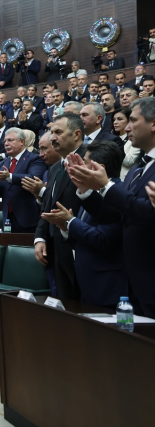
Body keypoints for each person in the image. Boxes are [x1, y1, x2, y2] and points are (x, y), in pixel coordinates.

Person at [66, 97, 155, 316]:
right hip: (132, 282)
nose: (126, 127)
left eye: (133, 120)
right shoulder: (136, 170)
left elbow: (147, 214)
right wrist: (86, 190)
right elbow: (118, 216)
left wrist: (105, 186)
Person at [41, 141, 127, 309]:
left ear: (98, 168)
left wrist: (71, 222)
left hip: (107, 288)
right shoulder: (89, 193)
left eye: (83, 163)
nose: (78, 167)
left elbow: (103, 239)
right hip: (85, 283)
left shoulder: (118, 194)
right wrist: (66, 228)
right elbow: (82, 240)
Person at [34, 113, 87, 300]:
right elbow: (46, 207)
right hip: (55, 248)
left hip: (80, 247)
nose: (53, 137)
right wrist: (39, 238)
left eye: (58, 132)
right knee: (64, 305)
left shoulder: (90, 159)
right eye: (51, 132)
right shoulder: (55, 167)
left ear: (76, 134)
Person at [0, 127, 47, 232]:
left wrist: (9, 176)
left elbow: (33, 178)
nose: (6, 144)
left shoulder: (34, 159)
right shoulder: (1, 164)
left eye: (10, 140)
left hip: (28, 218)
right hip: (7, 218)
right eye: (5, 141)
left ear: (22, 141)